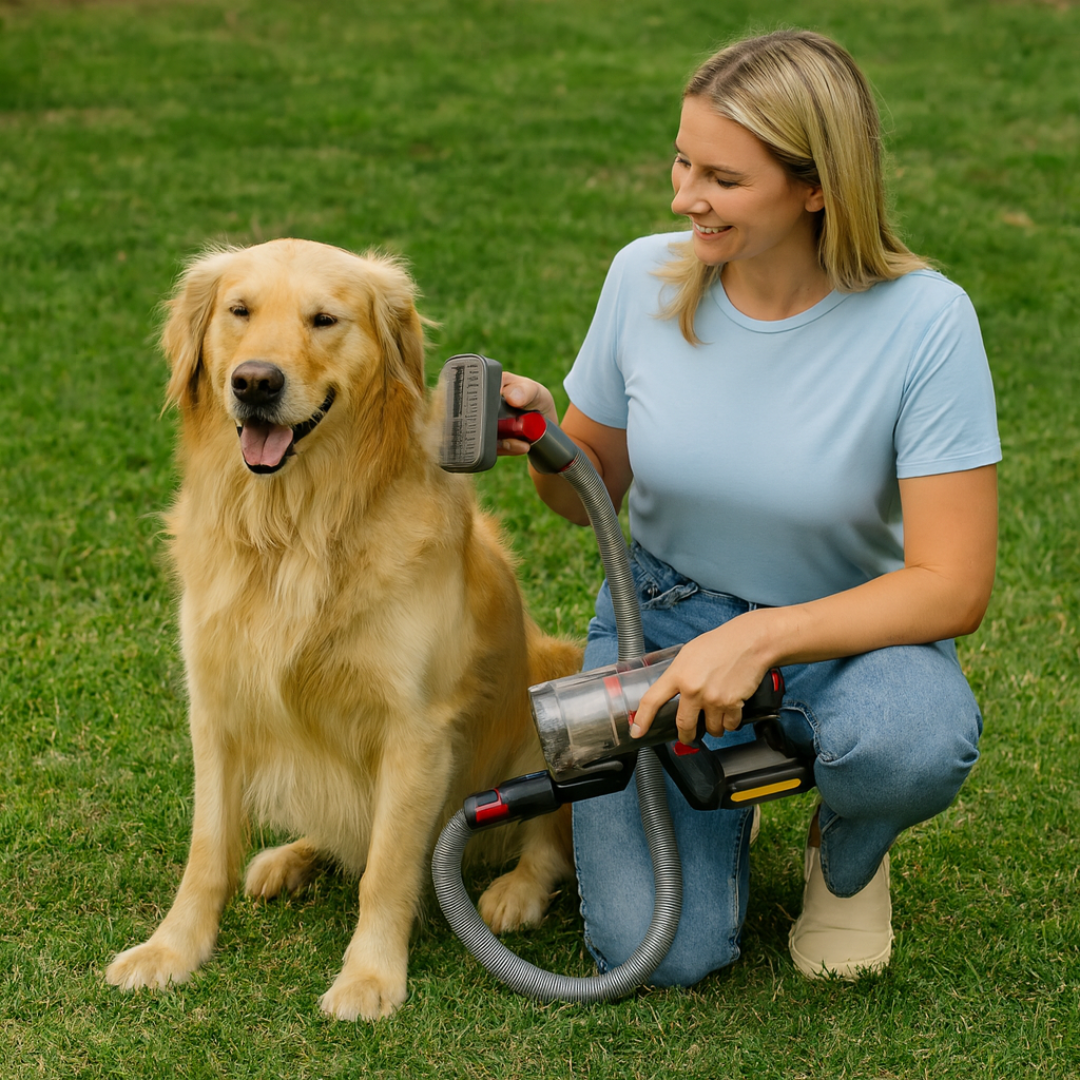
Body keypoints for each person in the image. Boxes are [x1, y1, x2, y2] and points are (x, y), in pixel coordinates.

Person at [498, 29, 1000, 985]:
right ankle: (738, 777)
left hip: (848, 639)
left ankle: (845, 844)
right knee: (661, 957)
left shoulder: (925, 323)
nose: (684, 195)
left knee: (911, 740)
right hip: (660, 622)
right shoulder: (645, 275)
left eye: (722, 179)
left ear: (816, 186)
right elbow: (585, 500)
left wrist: (764, 639)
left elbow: (953, 586)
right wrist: (544, 445)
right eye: (682, 160)